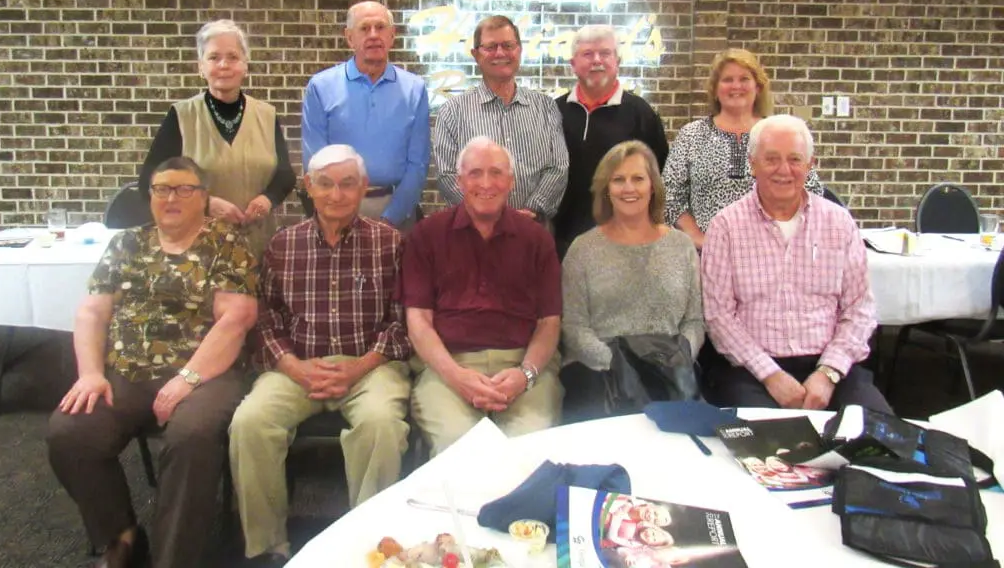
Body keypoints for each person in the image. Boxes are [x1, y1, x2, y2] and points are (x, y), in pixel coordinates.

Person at [47, 157, 258, 568]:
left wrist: (186, 379)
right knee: (69, 432)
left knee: (191, 438)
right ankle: (121, 536)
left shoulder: (227, 243)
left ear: (203, 197)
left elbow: (238, 318)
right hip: (127, 373)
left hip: (205, 375)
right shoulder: (127, 243)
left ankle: (173, 558)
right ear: (150, 197)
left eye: (184, 189)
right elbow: (92, 313)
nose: (171, 198)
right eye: (162, 189)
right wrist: (91, 374)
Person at [228, 144, 412, 567]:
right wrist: (292, 366)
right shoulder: (282, 245)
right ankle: (267, 548)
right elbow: (265, 319)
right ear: (309, 187)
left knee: (382, 424)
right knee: (250, 422)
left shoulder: (390, 243)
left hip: (370, 366)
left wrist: (360, 367)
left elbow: (402, 321)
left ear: (364, 188)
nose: (336, 194)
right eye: (325, 183)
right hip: (297, 366)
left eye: (348, 184)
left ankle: (369, 546)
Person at [701, 114, 891, 413]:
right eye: (771, 159)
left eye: (794, 159)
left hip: (830, 366)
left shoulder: (838, 223)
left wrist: (828, 373)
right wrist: (771, 375)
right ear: (752, 163)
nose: (783, 170)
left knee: (877, 440)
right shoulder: (725, 227)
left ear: (810, 164)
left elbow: (860, 309)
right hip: (752, 373)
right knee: (766, 449)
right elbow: (718, 316)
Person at [401, 136, 563, 454]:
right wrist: (457, 376)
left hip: (522, 364)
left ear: (511, 182)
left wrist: (525, 374)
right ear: (459, 181)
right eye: (475, 173)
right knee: (459, 451)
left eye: (496, 173)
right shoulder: (426, 235)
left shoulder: (537, 240)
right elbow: (418, 320)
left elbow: (549, 322)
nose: (486, 183)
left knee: (526, 449)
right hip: (447, 366)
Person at [560, 141, 703, 423]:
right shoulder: (583, 249)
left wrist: (678, 359)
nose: (629, 188)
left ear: (653, 186)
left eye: (638, 178)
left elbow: (695, 320)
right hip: (600, 374)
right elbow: (574, 327)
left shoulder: (681, 246)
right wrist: (619, 366)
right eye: (618, 180)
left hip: (672, 372)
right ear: (606, 189)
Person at [139, 19, 296, 257]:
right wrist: (204, 203)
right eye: (213, 57)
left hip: (258, 248)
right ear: (200, 67)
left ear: (245, 65)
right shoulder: (181, 116)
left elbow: (284, 174)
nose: (224, 65)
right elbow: (148, 182)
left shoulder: (266, 114)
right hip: (198, 250)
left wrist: (267, 199)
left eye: (233, 57)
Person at [664, 48, 822, 250]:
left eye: (744, 79)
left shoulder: (779, 133)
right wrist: (699, 238)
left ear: (757, 87)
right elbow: (669, 196)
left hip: (771, 253)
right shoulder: (691, 135)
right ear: (715, 89)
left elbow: (812, 191)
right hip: (706, 254)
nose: (736, 86)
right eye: (727, 80)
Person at [301, 1, 430, 229]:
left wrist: (390, 218)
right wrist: (341, 215)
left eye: (380, 27)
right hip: (336, 210)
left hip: (397, 212)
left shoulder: (414, 89)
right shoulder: (321, 87)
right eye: (364, 28)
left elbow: (418, 165)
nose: (373, 35)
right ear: (349, 37)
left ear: (392, 36)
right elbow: (315, 163)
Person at [432, 15, 567, 224]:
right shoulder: (452, 112)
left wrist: (532, 209)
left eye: (508, 45)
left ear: (519, 50)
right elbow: (447, 175)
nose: (500, 53)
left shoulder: (546, 107)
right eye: (491, 47)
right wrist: (485, 212)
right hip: (475, 233)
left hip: (533, 231)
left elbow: (558, 166)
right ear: (476, 55)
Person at [554, 25, 669, 256]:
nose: (597, 60)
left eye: (605, 53)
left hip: (626, 241)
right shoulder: (553, 112)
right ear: (573, 64)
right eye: (587, 54)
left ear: (617, 61)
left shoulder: (641, 114)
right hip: (563, 241)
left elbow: (659, 177)